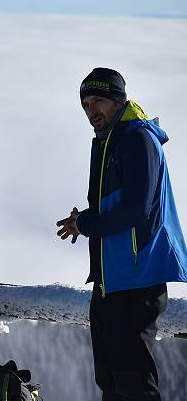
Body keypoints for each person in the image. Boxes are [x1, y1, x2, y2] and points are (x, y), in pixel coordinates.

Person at [56, 67, 187, 400]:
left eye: (98, 100)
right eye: (85, 104)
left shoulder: (136, 139)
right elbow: (119, 205)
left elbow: (136, 209)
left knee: (133, 384)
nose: (91, 111)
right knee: (112, 381)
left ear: (117, 100)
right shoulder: (112, 140)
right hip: (112, 279)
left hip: (136, 279)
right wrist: (84, 220)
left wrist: (86, 224)